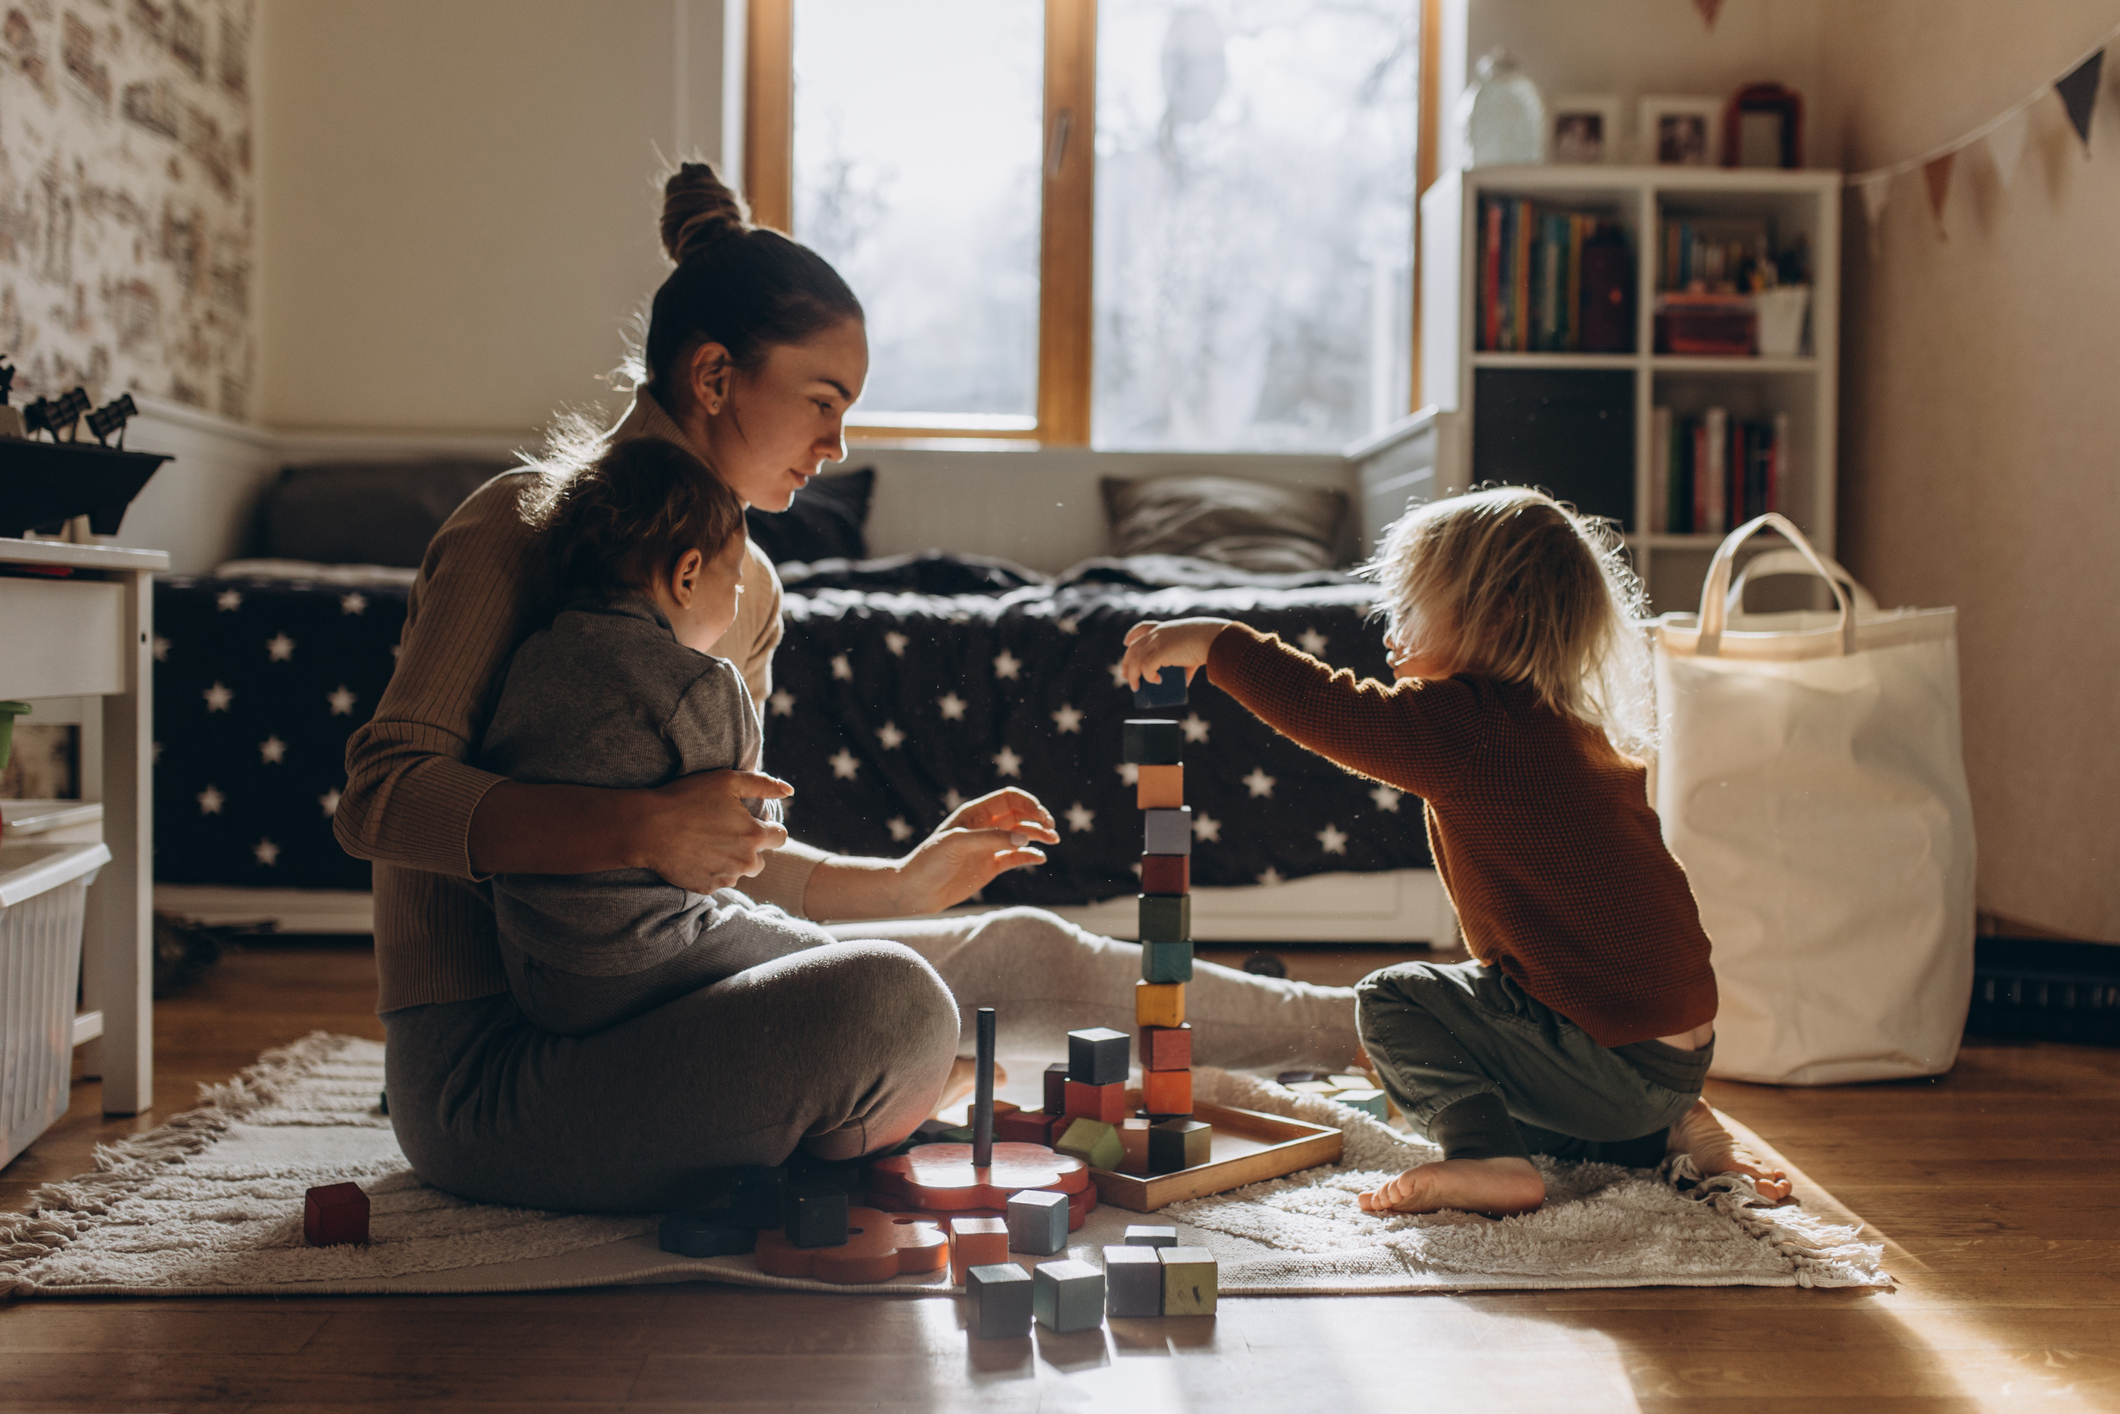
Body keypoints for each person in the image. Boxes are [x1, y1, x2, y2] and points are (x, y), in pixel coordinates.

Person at [334, 162, 1359, 1214]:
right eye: (822, 404)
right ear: (714, 375)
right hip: (495, 1073)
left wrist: (902, 884)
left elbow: (724, 857)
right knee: (889, 1009)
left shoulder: (751, 588)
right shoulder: (517, 524)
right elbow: (380, 797)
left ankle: (1367, 1029)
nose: (836, 447)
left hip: (670, 994)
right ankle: (858, 1109)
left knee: (1013, 946)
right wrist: (637, 828)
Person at [1118, 486, 1792, 1217]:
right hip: (1674, 1053)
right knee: (1481, 1060)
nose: (1388, 633)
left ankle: (1490, 1160)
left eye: (1408, 611)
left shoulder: (1471, 723)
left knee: (1394, 1001)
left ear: (1494, 618)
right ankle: (1663, 1129)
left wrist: (1218, 641)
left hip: (1610, 1052)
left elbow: (1330, 707)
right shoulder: (1568, 725)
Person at [480, 437, 842, 1037]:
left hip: (539, 974)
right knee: (829, 959)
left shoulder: (529, 657)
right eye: (735, 586)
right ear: (688, 574)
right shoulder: (700, 681)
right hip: (646, 955)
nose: (735, 605)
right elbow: (750, 821)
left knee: (736, 915)